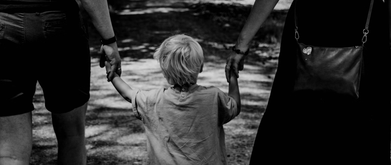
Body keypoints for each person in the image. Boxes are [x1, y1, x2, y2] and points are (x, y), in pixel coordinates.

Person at [225, 0, 390, 164]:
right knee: (362, 122)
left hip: (312, 24)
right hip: (359, 25)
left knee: (295, 122)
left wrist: (241, 45)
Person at [0, 0, 121, 164]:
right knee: (72, 136)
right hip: (61, 26)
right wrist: (109, 41)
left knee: (10, 151)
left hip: (4, 26)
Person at [107, 34, 241, 165]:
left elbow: (128, 94)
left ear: (164, 71)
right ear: (201, 67)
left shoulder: (154, 99)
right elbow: (235, 106)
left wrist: (112, 74)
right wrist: (233, 77)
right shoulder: (214, 97)